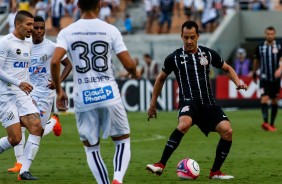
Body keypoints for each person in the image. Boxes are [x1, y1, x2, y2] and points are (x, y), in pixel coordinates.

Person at [50, 1, 141, 184]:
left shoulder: (67, 32)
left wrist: (59, 90)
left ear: (77, 5)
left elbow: (54, 62)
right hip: (109, 95)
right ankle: (117, 179)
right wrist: (134, 72)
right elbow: (128, 63)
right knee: (122, 140)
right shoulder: (110, 30)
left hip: (84, 98)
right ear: (99, 4)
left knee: (92, 148)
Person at [146, 20, 247, 179]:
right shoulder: (174, 57)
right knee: (184, 124)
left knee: (227, 131)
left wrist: (238, 82)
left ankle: (215, 172)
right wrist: (152, 104)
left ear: (198, 36)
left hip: (208, 104)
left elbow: (227, 68)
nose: (189, 41)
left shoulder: (208, 53)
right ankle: (160, 164)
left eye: (192, 37)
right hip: (188, 102)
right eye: (186, 37)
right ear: (181, 37)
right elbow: (160, 79)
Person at [7, 15, 73, 173]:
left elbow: (69, 65)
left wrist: (57, 83)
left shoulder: (51, 47)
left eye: (41, 28)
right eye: (35, 27)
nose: (38, 31)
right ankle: (21, 165)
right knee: (20, 126)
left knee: (37, 131)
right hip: (26, 93)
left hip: (44, 95)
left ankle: (53, 123)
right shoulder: (25, 45)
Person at [0, 10, 44, 180]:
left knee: (36, 127)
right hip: (6, 95)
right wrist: (19, 84)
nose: (32, 28)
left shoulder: (28, 45)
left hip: (22, 94)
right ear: (17, 24)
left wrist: (27, 94)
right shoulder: (5, 42)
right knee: (15, 138)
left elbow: (23, 71)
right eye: (28, 24)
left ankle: (24, 171)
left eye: (33, 25)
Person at [252, 26, 282, 132]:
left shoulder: (279, 46)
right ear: (265, 34)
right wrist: (254, 73)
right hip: (264, 77)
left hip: (275, 78)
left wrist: (280, 69)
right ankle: (265, 122)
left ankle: (272, 124)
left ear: (274, 34)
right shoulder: (260, 47)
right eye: (268, 34)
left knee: (274, 101)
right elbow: (256, 61)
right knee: (264, 98)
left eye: (271, 34)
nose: (270, 35)